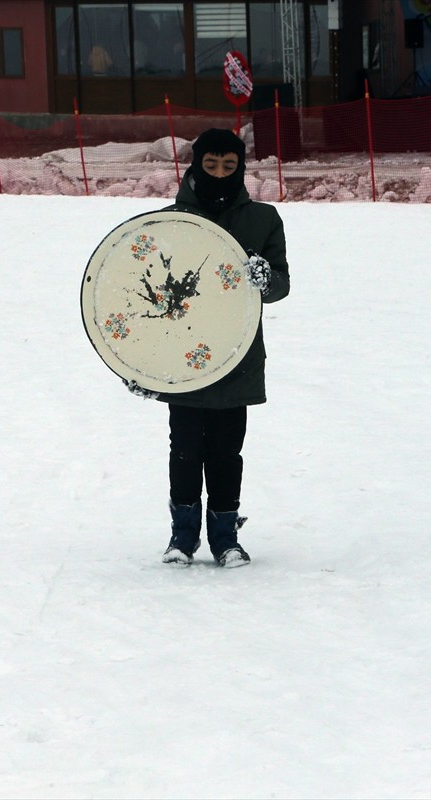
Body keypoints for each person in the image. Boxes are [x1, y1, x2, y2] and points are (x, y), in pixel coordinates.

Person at [130, 129, 290, 568]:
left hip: (234, 356)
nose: (220, 173)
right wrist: (141, 365)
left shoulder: (263, 219)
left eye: (230, 166)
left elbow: (280, 285)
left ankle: (225, 538)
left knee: (225, 451)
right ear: (196, 165)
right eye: (211, 164)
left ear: (240, 168)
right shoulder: (170, 222)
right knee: (184, 450)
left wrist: (265, 278)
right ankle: (182, 539)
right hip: (181, 359)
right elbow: (141, 293)